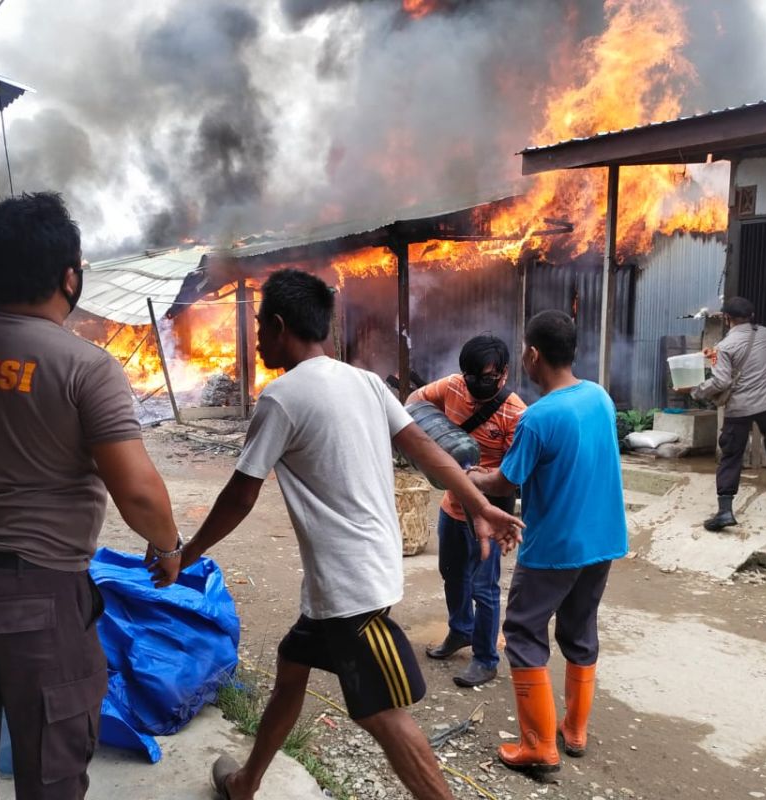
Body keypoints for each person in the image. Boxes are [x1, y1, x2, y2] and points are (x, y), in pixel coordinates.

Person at [172, 269, 523, 800]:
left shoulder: (282, 398)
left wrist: (186, 553)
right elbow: (427, 451)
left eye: (261, 328)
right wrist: (477, 503)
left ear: (281, 325)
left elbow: (240, 496)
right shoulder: (363, 380)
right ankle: (246, 782)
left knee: (387, 719)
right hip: (345, 581)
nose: (258, 341)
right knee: (292, 668)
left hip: (350, 590)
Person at [0, 192, 183, 800]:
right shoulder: (86, 365)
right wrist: (169, 546)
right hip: (36, 593)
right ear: (69, 275)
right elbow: (136, 491)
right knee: (52, 761)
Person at [468, 310, 628, 782]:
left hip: (554, 546)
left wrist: (469, 477)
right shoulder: (599, 397)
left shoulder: (538, 418)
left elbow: (505, 481)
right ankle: (573, 731)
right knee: (579, 630)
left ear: (534, 354)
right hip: (602, 541)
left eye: (524, 350)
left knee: (521, 630)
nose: (523, 359)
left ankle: (538, 746)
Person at [408, 335, 526, 688]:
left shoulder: (515, 413)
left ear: (503, 375)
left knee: (483, 587)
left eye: (485, 377)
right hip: (451, 507)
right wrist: (435, 435)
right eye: (470, 375)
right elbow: (415, 400)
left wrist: (473, 477)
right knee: (452, 574)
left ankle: (486, 658)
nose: (474, 384)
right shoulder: (454, 386)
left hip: (490, 511)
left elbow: (509, 480)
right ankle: (460, 631)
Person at [685, 296, 766, 532]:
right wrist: (715, 356)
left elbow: (721, 380)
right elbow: (748, 359)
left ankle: (724, 511)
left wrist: (696, 391)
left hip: (739, 408)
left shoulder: (725, 347)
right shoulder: (765, 334)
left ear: (727, 318)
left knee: (731, 455)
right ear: (751, 316)